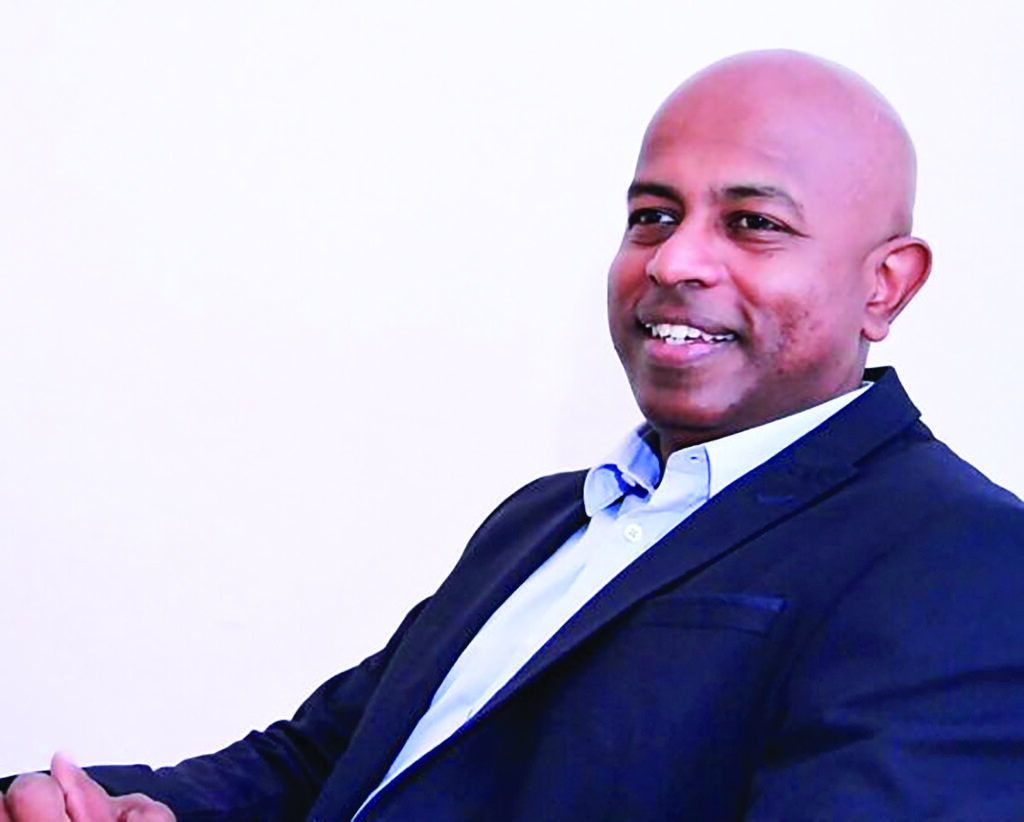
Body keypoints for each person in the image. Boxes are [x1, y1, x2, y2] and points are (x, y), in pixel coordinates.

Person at [4, 48, 1024, 821]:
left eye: (752, 223)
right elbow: (324, 764)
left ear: (884, 286)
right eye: (653, 215)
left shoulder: (965, 559)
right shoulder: (543, 520)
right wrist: (93, 807)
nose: (675, 261)